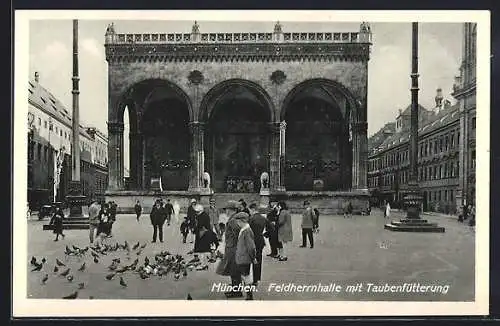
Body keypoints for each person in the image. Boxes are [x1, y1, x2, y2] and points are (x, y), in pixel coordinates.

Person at [216, 200, 250, 298]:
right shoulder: (234, 219)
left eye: (227, 209)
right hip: (233, 248)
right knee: (234, 270)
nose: (226, 211)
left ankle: (237, 291)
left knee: (234, 271)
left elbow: (240, 234)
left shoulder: (233, 220)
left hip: (233, 249)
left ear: (232, 210)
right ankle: (236, 289)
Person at [235, 209, 257, 300]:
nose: (237, 223)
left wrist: (253, 257)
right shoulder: (244, 229)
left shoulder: (247, 231)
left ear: (242, 221)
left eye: (238, 221)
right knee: (244, 276)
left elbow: (251, 247)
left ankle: (249, 295)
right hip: (242, 257)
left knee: (246, 277)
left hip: (245, 258)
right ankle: (248, 294)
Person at [248, 203, 270, 286]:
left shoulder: (251, 218)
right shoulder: (263, 218)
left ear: (252, 209)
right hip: (260, 241)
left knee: (249, 259)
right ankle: (256, 279)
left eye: (250, 210)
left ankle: (247, 278)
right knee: (258, 259)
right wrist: (265, 234)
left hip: (252, 240)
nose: (249, 212)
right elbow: (271, 228)